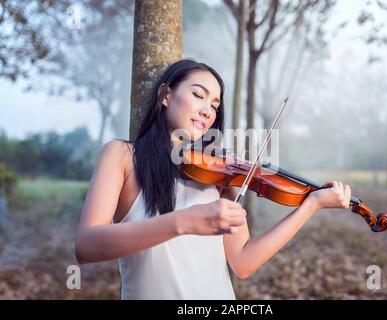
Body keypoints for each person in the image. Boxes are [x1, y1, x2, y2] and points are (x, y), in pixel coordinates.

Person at [75, 59, 351, 299]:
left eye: (215, 105)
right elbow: (86, 246)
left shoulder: (217, 177)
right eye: (198, 95)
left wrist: (310, 205)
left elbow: (243, 263)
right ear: (166, 96)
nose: (208, 110)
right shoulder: (122, 156)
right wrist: (184, 221)